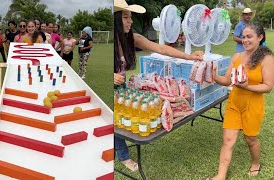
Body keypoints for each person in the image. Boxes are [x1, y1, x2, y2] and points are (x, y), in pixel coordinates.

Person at [113, 0, 204, 172]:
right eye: (126, 17)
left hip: (121, 89)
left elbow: (161, 49)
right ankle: (124, 156)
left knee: (122, 121)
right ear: (115, 20)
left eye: (130, 17)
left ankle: (119, 151)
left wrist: (190, 57)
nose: (130, 21)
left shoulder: (132, 38)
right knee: (115, 123)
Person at [208, 23, 274, 180]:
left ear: (260, 37)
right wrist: (214, 76)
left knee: (250, 139)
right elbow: (226, 80)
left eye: (249, 37)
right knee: (227, 140)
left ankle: (256, 163)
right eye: (243, 37)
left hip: (253, 106)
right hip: (234, 104)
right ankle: (221, 176)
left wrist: (247, 86)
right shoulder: (237, 57)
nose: (245, 40)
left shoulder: (267, 59)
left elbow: (268, 87)